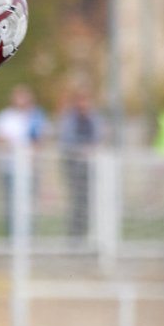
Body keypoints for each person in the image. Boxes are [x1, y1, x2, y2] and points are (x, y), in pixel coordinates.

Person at [0, 83, 44, 229]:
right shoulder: (5, 117)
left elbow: (39, 140)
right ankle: (12, 235)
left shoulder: (35, 116)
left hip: (30, 169)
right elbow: (2, 140)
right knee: (12, 204)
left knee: (29, 205)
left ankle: (28, 235)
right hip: (10, 169)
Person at [56, 82, 102, 239]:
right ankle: (75, 236)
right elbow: (67, 141)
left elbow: (98, 139)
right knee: (77, 203)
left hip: (90, 168)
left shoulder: (94, 119)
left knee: (89, 203)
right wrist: (82, 150)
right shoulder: (69, 119)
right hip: (74, 168)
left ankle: (87, 235)